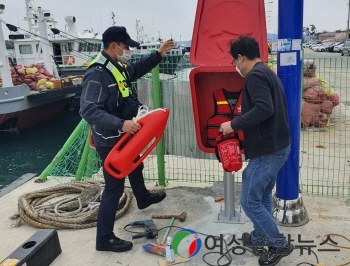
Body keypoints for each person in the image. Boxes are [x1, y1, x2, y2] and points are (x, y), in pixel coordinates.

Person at [80, 26, 174, 253]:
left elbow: (136, 69)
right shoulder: (97, 74)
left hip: (123, 135)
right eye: (126, 46)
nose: (129, 50)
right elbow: (88, 110)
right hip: (110, 139)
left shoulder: (116, 67)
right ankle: (104, 238)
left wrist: (159, 54)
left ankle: (142, 197)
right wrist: (121, 124)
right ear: (114, 46)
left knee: (136, 163)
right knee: (114, 189)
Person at [219, 35, 292, 266]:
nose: (235, 66)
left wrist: (233, 124)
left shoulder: (255, 76)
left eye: (234, 61)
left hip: (268, 151)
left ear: (240, 57)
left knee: (250, 201)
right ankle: (261, 236)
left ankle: (279, 244)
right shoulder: (268, 72)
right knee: (261, 197)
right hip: (277, 147)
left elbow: (264, 108)